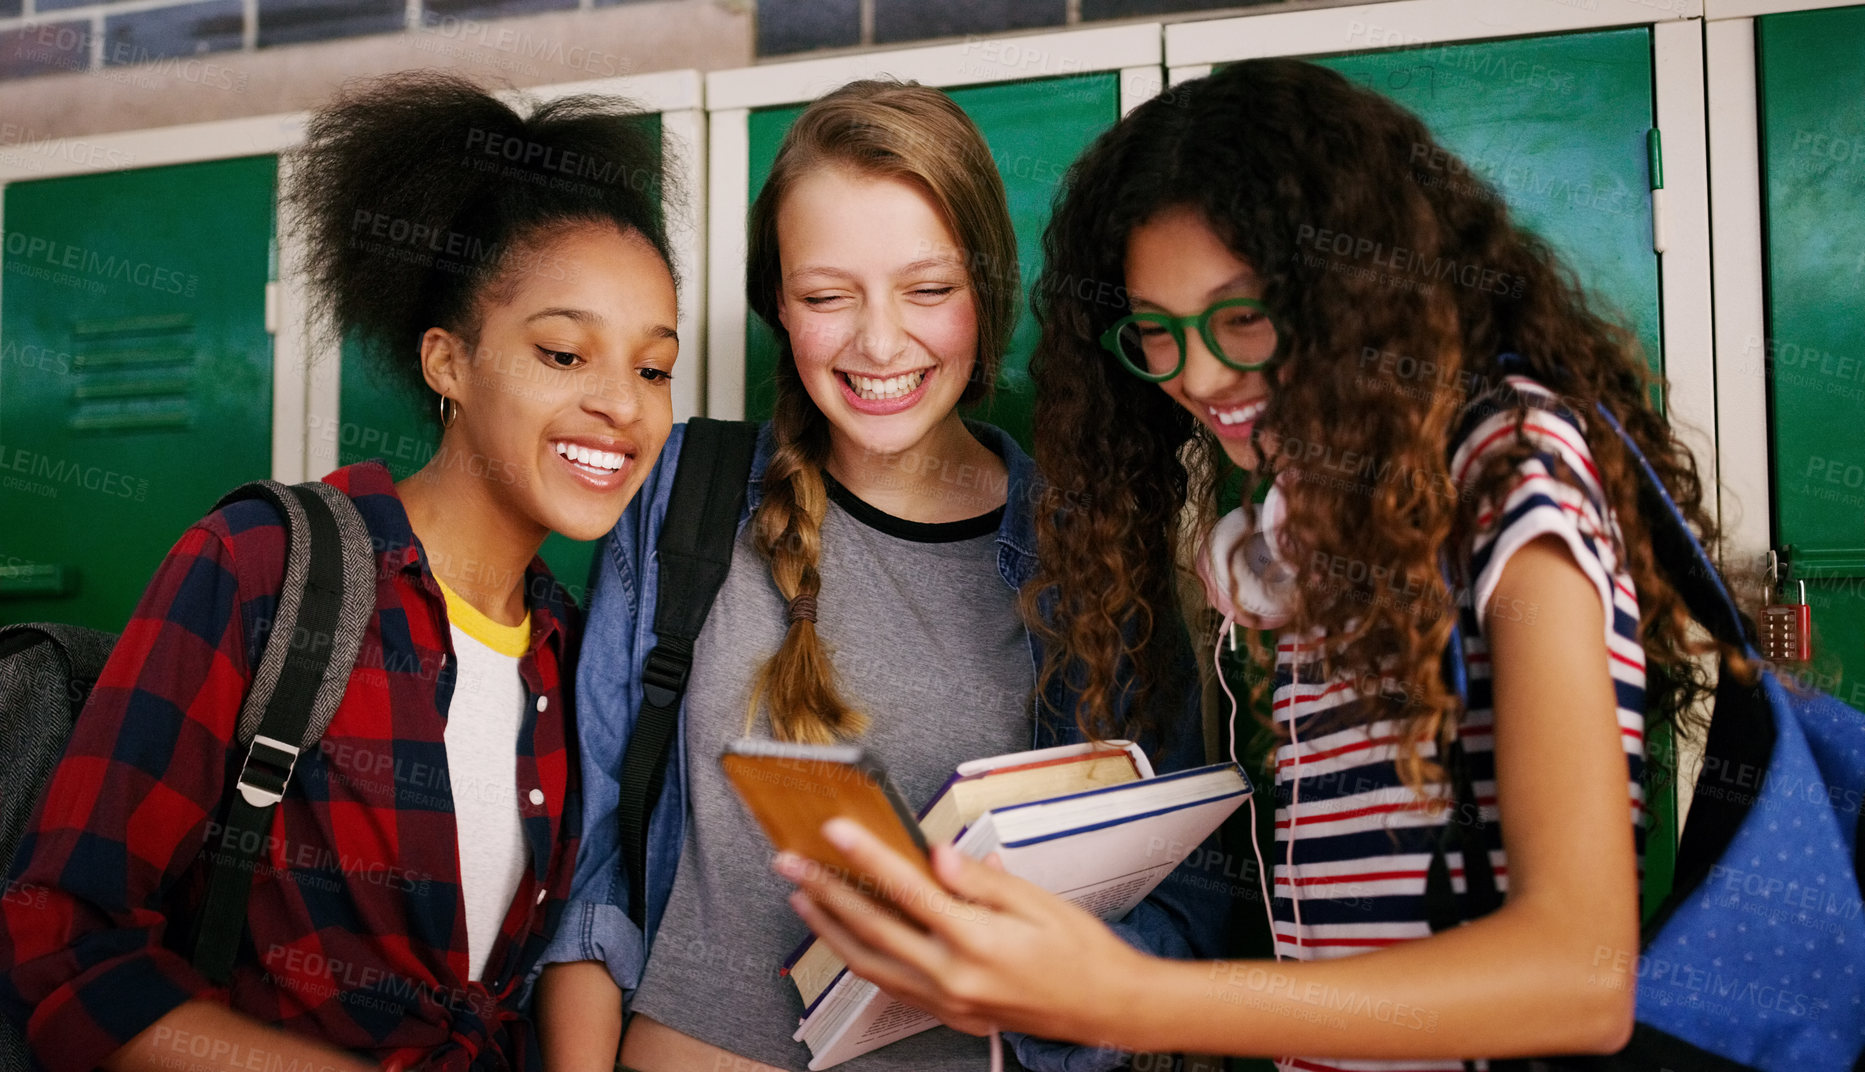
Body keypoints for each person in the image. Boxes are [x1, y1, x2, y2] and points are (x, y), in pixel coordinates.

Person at [779, 58, 1730, 1069]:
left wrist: (1136, 996)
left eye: (1240, 317)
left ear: (1357, 287)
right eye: (1155, 331)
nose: (1194, 374)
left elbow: (1577, 980)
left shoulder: (1509, 475)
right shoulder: (1322, 517)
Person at [0, 71, 681, 1072]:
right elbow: (63, 940)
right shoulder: (262, 567)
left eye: (653, 367)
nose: (622, 405)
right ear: (447, 362)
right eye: (564, 354)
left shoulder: (575, 654)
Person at [534, 79, 1219, 1072]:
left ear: (985, 292)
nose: (880, 341)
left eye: (928, 290)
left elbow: (1181, 914)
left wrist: (1020, 979)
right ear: (777, 302)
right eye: (826, 296)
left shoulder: (1091, 554)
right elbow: (587, 853)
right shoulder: (683, 491)